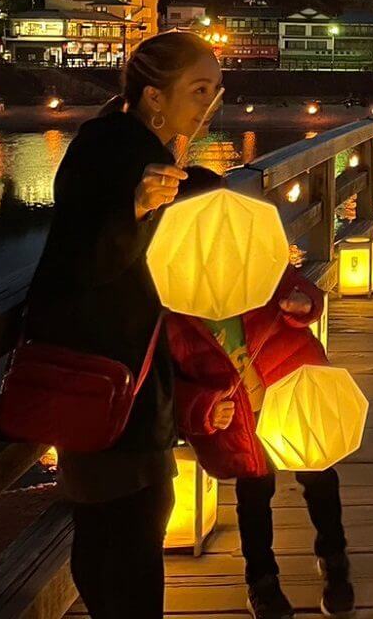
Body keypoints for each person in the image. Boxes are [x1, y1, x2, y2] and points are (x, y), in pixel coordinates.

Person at [20, 31, 221, 619]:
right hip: (97, 369)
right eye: (199, 88)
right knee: (126, 524)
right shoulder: (110, 146)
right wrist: (135, 208)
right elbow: (82, 258)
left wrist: (211, 188)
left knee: (126, 519)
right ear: (154, 96)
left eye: (216, 89)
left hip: (126, 368)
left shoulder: (147, 146)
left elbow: (181, 196)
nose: (210, 102)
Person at [167, 260, 354, 619]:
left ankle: (334, 555)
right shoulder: (174, 315)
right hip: (240, 416)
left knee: (319, 478)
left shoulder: (257, 264)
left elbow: (304, 293)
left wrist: (303, 304)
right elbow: (172, 383)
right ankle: (262, 579)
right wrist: (203, 406)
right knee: (253, 494)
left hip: (293, 387)